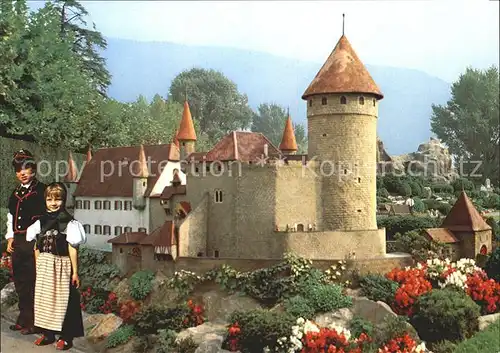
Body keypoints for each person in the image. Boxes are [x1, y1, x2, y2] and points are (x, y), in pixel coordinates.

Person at [26, 182, 86, 350]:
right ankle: (48, 333)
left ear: (64, 200)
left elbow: (72, 248)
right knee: (44, 300)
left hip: (62, 265)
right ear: (45, 200)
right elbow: (36, 246)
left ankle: (66, 337)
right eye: (50, 199)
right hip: (45, 265)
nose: (53, 203)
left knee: (64, 300)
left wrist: (75, 272)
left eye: (58, 199)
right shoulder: (40, 222)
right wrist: (39, 266)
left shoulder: (69, 223)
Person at [5, 149, 46, 335]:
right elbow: (10, 216)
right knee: (20, 281)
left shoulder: (41, 190)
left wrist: (31, 236)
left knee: (33, 281)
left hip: (34, 242)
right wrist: (10, 237)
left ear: (33, 170)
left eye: (26, 169)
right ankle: (23, 318)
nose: (22, 173)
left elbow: (46, 217)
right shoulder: (15, 193)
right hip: (18, 241)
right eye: (18, 169)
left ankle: (35, 322)